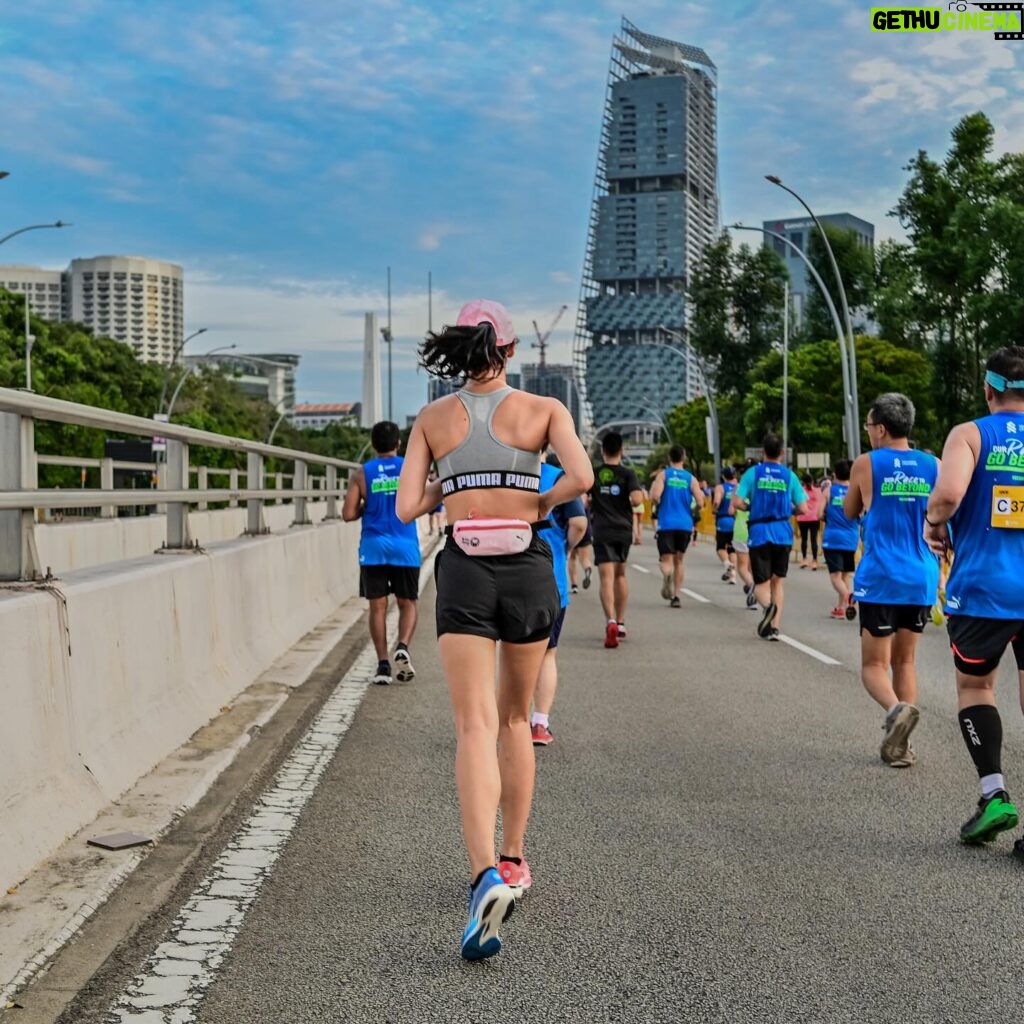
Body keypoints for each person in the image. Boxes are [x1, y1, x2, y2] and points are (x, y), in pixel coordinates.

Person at [397, 299, 591, 961]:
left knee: (473, 724)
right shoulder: (544, 411)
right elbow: (582, 476)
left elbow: (404, 507)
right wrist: (538, 498)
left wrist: (450, 487)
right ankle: (513, 861)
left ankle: (483, 873)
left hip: (465, 569)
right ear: (508, 351)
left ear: (461, 350)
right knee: (515, 720)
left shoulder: (432, 418)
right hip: (529, 564)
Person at [923, 347, 1024, 846]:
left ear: (988, 389)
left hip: (984, 588)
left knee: (976, 689)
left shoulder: (970, 434)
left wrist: (934, 524)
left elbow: (946, 496)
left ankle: (995, 794)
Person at [845, 393, 939, 768]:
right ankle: (902, 744)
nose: (869, 433)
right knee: (906, 661)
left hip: (881, 574)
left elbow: (851, 510)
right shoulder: (934, 463)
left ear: (881, 428)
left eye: (869, 426)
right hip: (921, 574)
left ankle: (895, 709)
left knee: (873, 666)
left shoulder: (867, 463)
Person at [342, 420, 422, 686]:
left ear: (373, 445)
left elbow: (348, 514)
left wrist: (369, 506)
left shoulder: (362, 473)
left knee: (377, 607)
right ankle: (403, 646)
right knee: (407, 602)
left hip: (373, 546)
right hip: (405, 546)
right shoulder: (410, 468)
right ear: (398, 444)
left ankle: (383, 665)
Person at [530, 450, 588, 748]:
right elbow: (578, 522)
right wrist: (565, 548)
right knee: (547, 653)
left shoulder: (503, 474)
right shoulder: (557, 479)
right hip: (550, 576)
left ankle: (504, 721)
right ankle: (539, 723)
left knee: (511, 651)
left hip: (503, 575)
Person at [731, 433, 808, 640]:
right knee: (777, 582)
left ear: (763, 452)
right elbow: (803, 507)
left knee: (761, 582)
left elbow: (737, 502)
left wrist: (750, 506)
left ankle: (767, 607)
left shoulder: (752, 474)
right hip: (783, 533)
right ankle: (774, 628)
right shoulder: (789, 476)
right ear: (782, 453)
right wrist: (787, 511)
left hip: (759, 533)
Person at [589, 431, 644, 648]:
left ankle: (609, 620)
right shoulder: (628, 474)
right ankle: (621, 623)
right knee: (620, 575)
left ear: (603, 451)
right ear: (621, 451)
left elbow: (583, 498)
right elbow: (638, 499)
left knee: (605, 577)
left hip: (602, 529)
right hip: (623, 529)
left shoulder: (595, 473)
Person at [649, 445, 705, 608]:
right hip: (685, 524)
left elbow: (655, 496)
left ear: (669, 458)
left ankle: (667, 574)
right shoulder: (690, 478)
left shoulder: (663, 475)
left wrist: (661, 504)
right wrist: (691, 509)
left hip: (666, 523)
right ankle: (676, 595)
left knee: (666, 560)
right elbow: (701, 502)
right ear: (684, 458)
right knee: (679, 561)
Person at [819, 458, 859, 621]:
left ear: (834, 474)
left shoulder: (828, 491)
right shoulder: (855, 491)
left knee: (835, 576)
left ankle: (848, 596)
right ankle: (841, 608)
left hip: (833, 537)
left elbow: (818, 514)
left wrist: (828, 516)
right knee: (845, 575)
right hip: (851, 538)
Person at [713, 466, 738, 583]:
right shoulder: (738, 488)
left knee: (721, 547)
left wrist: (714, 509)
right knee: (732, 549)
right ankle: (733, 576)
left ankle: (727, 564)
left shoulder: (720, 488)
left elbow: (717, 501)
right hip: (735, 521)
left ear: (723, 476)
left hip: (723, 520)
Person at [567, 506, 594, 595]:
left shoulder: (571, 500)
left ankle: (574, 585)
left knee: (572, 557)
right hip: (586, 529)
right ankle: (587, 569)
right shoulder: (586, 500)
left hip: (572, 529)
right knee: (584, 559)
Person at [797, 474, 822, 568]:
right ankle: (814, 560)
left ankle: (804, 559)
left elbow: (797, 502)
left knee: (804, 539)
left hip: (802, 517)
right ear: (812, 481)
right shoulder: (817, 491)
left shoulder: (800, 491)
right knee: (813, 539)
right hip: (814, 518)